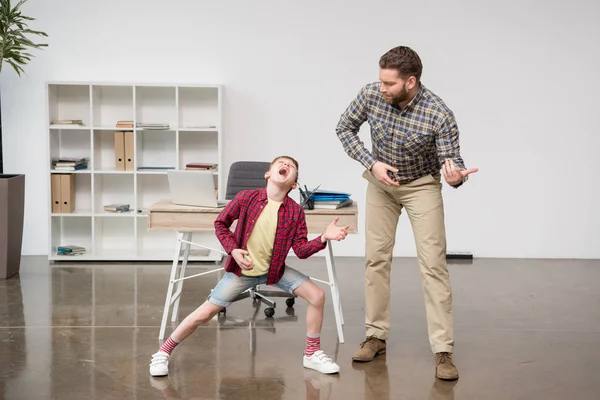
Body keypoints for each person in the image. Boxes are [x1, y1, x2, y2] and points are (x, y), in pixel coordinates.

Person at [335, 46, 478, 380]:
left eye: (389, 83)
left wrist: (454, 176)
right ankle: (375, 336)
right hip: (381, 184)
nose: (381, 88)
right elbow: (344, 128)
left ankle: (443, 351)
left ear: (410, 82)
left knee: (433, 265)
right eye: (380, 81)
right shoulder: (371, 94)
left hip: (421, 186)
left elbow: (451, 161)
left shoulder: (437, 113)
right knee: (376, 259)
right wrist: (371, 162)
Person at [149, 156, 350, 377]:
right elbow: (220, 223)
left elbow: (301, 251)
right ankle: (163, 353)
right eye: (281, 163)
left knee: (318, 296)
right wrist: (233, 250)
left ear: (294, 184)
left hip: (274, 271)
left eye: (291, 167)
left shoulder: (295, 211)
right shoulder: (246, 198)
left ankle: (311, 354)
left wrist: (323, 238)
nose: (286, 166)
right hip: (241, 273)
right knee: (203, 314)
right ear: (268, 173)